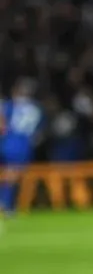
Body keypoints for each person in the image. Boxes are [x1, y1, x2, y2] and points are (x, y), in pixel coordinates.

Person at [0, 80, 42, 219]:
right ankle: (6, 204)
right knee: (14, 175)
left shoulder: (11, 105)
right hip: (23, 144)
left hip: (9, 141)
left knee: (11, 174)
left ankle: (6, 204)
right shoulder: (36, 108)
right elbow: (39, 132)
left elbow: (2, 123)